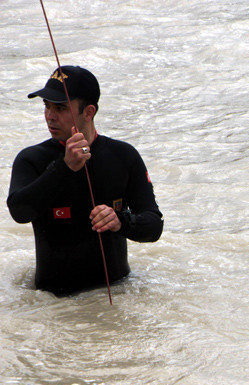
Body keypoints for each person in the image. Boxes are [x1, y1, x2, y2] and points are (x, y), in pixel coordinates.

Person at [7, 65, 163, 295]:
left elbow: (154, 226)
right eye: (46, 106)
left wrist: (121, 221)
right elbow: (19, 212)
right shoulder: (31, 159)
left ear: (88, 112)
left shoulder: (123, 156)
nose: (50, 115)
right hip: (52, 302)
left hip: (117, 294)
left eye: (59, 107)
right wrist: (64, 167)